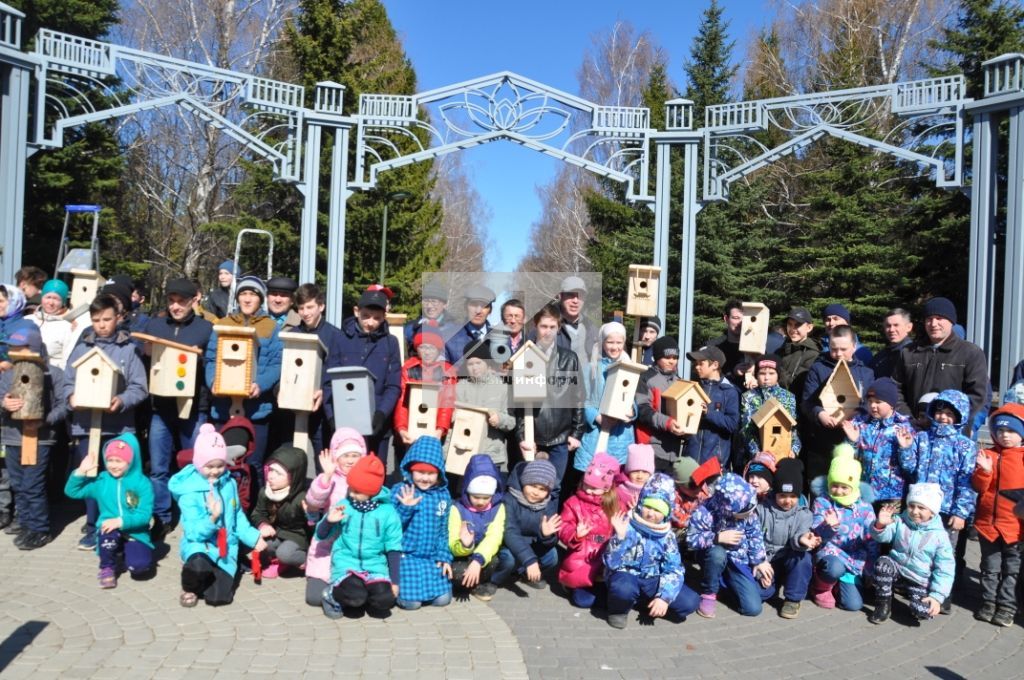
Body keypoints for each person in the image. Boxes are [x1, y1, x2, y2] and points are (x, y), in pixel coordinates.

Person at [60, 294, 149, 550]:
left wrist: (121, 400)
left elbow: (139, 387)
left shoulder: (128, 349)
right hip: (87, 427)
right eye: (97, 320)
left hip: (119, 428)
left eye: (107, 319)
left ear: (118, 318)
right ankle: (93, 527)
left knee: (124, 479)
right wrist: (71, 397)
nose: (102, 325)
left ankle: (128, 526)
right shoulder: (82, 348)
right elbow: (67, 382)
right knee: (92, 478)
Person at [142, 278, 213, 538]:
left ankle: (196, 514)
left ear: (193, 300)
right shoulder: (155, 325)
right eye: (171, 301)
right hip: (161, 408)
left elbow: (213, 361)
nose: (175, 306)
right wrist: (147, 351)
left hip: (194, 407)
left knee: (196, 464)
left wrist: (201, 357)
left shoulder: (206, 329)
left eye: (181, 301)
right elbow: (144, 357)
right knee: (159, 466)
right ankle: (161, 516)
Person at [169, 423, 267, 607]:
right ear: (199, 463)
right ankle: (189, 584)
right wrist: (212, 519)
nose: (215, 471)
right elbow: (193, 532)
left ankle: (211, 575)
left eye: (220, 465)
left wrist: (254, 538)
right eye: (209, 466)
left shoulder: (229, 484)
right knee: (198, 565)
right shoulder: (189, 493)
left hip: (225, 547)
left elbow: (237, 517)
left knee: (219, 599)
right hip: (200, 545)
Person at [898, 388, 977, 611]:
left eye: (950, 414)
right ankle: (917, 588)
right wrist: (905, 449)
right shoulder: (922, 438)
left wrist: (961, 513)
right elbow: (910, 468)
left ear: (959, 417)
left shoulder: (965, 446)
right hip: (921, 508)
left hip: (947, 509)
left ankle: (942, 596)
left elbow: (967, 482)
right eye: (940, 412)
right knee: (920, 549)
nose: (943, 417)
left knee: (945, 554)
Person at [203, 275, 282, 479]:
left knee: (253, 464)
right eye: (243, 294)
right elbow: (211, 358)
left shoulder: (271, 327)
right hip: (223, 409)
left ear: (260, 299)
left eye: (252, 295)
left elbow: (277, 363)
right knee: (221, 462)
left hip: (256, 410)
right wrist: (213, 381)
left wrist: (260, 385)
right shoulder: (223, 325)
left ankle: (251, 510)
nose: (247, 299)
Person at [604, 472, 700, 628]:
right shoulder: (627, 523)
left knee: (691, 602)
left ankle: (648, 604)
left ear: (666, 512)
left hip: (653, 578)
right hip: (627, 575)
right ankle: (618, 610)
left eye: (658, 509)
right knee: (623, 588)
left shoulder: (667, 536)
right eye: (647, 506)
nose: (651, 513)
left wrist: (664, 597)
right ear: (641, 503)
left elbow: (674, 569)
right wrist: (619, 539)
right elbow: (611, 564)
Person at [0, 326, 65, 549]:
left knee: (33, 485)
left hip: (41, 439)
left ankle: (40, 529)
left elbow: (64, 406)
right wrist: (4, 404)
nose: (15, 352)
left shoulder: (53, 374)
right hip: (12, 437)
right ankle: (26, 524)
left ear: (35, 348)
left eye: (21, 348)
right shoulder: (7, 374)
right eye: (12, 348)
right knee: (18, 484)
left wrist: (46, 420)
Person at [317, 454, 402, 619]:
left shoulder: (388, 512)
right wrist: (329, 521)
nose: (351, 494)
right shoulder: (344, 506)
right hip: (347, 565)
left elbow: (394, 548)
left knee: (385, 600)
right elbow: (321, 535)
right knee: (355, 598)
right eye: (350, 488)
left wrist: (395, 582)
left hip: (374, 567)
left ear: (371, 492)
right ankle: (331, 596)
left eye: (357, 491)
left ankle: (364, 595)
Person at [64, 435, 154, 588]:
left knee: (139, 567)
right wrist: (80, 471)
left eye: (119, 461)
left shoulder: (142, 482)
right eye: (109, 460)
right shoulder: (102, 480)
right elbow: (72, 492)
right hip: (109, 528)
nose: (113, 465)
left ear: (130, 462)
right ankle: (107, 567)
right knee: (108, 539)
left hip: (135, 531)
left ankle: (124, 552)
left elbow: (144, 516)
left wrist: (121, 521)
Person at [516, 303, 584, 503]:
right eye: (543, 326)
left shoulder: (569, 359)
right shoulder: (524, 357)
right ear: (535, 326)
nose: (547, 332)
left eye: (552, 327)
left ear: (559, 328)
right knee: (529, 488)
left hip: (560, 438)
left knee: (554, 488)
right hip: (532, 435)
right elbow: (518, 403)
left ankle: (549, 533)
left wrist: (576, 432)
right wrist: (522, 435)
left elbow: (577, 397)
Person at [893, 297, 989, 436]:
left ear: (951, 321)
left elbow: (977, 395)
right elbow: (896, 389)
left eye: (939, 318)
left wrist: (949, 418)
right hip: (914, 431)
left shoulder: (970, 353)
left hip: (953, 435)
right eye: (929, 319)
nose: (933, 324)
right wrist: (908, 418)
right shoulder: (908, 352)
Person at [324, 289, 401, 460]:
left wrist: (382, 413)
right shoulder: (340, 339)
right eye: (366, 315)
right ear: (356, 311)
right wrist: (332, 416)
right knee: (345, 472)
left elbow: (393, 384)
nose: (371, 322)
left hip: (378, 421)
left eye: (377, 318)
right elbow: (329, 381)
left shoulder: (391, 343)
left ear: (384, 316)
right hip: (345, 418)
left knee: (374, 473)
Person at [868, 483, 955, 625]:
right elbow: (883, 537)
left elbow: (945, 569)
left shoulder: (940, 536)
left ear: (932, 511)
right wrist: (880, 525)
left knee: (923, 611)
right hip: (897, 568)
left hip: (918, 578)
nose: (914, 511)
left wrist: (937, 597)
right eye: (911, 506)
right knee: (883, 563)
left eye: (921, 508)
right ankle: (883, 604)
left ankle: (916, 600)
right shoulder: (900, 520)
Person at [970, 404, 1024, 627]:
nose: (1005, 435)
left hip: (1015, 528)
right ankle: (988, 602)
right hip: (987, 525)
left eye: (1011, 431)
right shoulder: (988, 454)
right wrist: (984, 471)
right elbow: (979, 487)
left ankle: (1007, 606)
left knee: (1012, 570)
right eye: (1000, 431)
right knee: (990, 568)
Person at [800, 325, 875, 483]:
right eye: (834, 349)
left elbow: (869, 404)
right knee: (819, 489)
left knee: (846, 487)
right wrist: (820, 414)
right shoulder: (818, 369)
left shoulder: (866, 373)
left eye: (843, 349)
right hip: (821, 442)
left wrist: (854, 413)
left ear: (854, 347)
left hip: (851, 443)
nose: (838, 354)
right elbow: (807, 402)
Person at [687, 473, 768, 618]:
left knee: (754, 607)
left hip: (738, 560)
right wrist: (717, 538)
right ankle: (709, 593)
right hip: (712, 556)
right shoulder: (704, 512)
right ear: (728, 508)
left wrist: (759, 560)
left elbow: (754, 534)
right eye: (743, 512)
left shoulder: (748, 508)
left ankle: (725, 586)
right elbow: (691, 539)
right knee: (717, 553)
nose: (748, 513)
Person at [809, 446, 877, 612]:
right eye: (834, 485)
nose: (838, 491)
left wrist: (870, 568)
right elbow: (816, 534)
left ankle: (839, 584)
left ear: (853, 486)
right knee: (834, 568)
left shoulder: (865, 507)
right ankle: (820, 586)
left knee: (853, 605)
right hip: (831, 554)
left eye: (844, 487)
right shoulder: (822, 502)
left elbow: (871, 540)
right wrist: (828, 526)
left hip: (854, 558)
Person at [303, 428, 366, 607]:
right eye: (346, 455)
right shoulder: (328, 478)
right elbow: (313, 502)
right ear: (336, 457)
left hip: (353, 547)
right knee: (314, 598)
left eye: (355, 455)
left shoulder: (367, 478)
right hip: (327, 545)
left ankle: (342, 592)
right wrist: (327, 476)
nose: (351, 460)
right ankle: (332, 590)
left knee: (359, 596)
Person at [390, 436, 453, 610]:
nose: (425, 478)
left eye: (431, 473)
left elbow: (443, 530)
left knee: (443, 600)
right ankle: (397, 592)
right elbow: (392, 529)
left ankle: (423, 589)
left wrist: (444, 556)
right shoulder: (400, 490)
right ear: (410, 470)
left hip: (431, 558)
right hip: (406, 557)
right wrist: (405, 508)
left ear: (439, 473)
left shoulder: (443, 495)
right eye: (420, 472)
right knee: (412, 604)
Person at [754, 458, 816, 619]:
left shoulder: (804, 514)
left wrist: (802, 539)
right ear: (775, 493)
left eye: (793, 496)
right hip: (768, 560)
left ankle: (793, 599)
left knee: (803, 558)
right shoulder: (762, 510)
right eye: (782, 495)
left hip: (790, 556)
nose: (787, 500)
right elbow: (754, 538)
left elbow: (802, 532)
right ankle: (774, 584)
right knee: (760, 594)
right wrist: (760, 564)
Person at [841, 377, 913, 510]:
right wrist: (853, 441)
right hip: (863, 491)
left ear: (891, 404)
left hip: (891, 496)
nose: (873, 406)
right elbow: (847, 459)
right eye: (870, 401)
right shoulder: (861, 424)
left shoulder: (903, 428)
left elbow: (910, 468)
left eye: (878, 402)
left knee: (887, 529)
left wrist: (905, 449)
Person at [558, 452, 619, 609]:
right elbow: (564, 525)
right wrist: (575, 534)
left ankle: (598, 589)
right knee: (584, 601)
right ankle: (573, 586)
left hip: (604, 560)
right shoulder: (573, 503)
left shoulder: (615, 505)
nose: (589, 491)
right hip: (581, 557)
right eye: (587, 486)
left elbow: (622, 527)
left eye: (595, 488)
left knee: (610, 597)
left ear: (607, 488)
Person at [490, 459, 561, 593]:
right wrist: (529, 560)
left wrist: (547, 536)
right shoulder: (509, 499)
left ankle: (524, 574)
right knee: (509, 559)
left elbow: (551, 539)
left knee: (552, 556)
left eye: (542, 489)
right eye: (532, 486)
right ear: (524, 482)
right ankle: (492, 580)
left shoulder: (548, 504)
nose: (536, 492)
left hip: (531, 546)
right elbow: (510, 532)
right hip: (508, 544)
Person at [576, 322, 637, 473]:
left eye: (619, 342)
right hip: (596, 434)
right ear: (602, 342)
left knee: (616, 484)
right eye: (610, 342)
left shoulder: (630, 367)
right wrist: (596, 417)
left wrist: (632, 411)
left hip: (620, 436)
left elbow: (632, 400)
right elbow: (583, 400)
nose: (615, 347)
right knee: (593, 480)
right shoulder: (590, 369)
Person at [290, 283, 341, 457]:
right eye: (301, 308)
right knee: (294, 458)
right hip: (294, 408)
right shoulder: (293, 334)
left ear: (321, 306)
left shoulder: (335, 336)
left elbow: (336, 372)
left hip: (322, 410)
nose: (305, 312)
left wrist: (324, 391)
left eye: (310, 307)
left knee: (323, 459)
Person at [448, 454, 506, 602]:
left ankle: (479, 583)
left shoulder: (498, 508)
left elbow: (494, 537)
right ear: (467, 491)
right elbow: (451, 541)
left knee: (497, 561)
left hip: (483, 555)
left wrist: (478, 559)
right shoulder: (457, 508)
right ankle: (464, 585)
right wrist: (465, 545)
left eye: (486, 498)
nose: (480, 502)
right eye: (476, 497)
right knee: (459, 572)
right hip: (461, 555)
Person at [453, 339, 515, 470]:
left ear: (487, 363)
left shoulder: (502, 388)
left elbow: (511, 421)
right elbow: (450, 416)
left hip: (491, 453)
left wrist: (499, 419)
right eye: (470, 364)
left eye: (478, 363)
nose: (475, 368)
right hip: (464, 451)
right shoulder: (459, 388)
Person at [251, 445, 311, 578]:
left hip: (298, 536)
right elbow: (257, 513)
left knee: (285, 554)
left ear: (293, 477)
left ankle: (309, 561)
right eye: (270, 470)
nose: (271, 476)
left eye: (278, 473)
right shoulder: (265, 492)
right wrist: (263, 524)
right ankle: (282, 563)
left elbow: (313, 525)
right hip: (279, 531)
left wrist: (311, 514)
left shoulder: (302, 497)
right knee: (265, 545)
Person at [393, 329, 456, 453]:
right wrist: (401, 428)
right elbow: (402, 401)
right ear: (417, 348)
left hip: (436, 431)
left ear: (438, 349)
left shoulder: (447, 370)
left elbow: (447, 403)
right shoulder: (408, 368)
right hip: (410, 428)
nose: (427, 352)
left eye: (432, 348)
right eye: (423, 347)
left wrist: (440, 429)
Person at [683, 346, 740, 467]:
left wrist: (708, 413)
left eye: (701, 364)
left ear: (714, 365)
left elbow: (732, 424)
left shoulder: (729, 391)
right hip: (690, 459)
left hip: (715, 462)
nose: (696, 367)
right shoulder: (694, 388)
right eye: (695, 364)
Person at [635, 336, 685, 471]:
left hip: (674, 451)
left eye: (675, 358)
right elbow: (643, 410)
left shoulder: (680, 382)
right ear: (657, 357)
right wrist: (667, 422)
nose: (672, 361)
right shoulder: (646, 378)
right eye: (667, 357)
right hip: (652, 448)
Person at [740, 353, 801, 459]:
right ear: (756, 375)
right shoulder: (748, 397)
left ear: (778, 375)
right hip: (757, 453)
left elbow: (792, 428)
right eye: (762, 373)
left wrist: (794, 449)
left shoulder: (788, 397)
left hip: (784, 452)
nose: (766, 377)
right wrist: (755, 452)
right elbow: (746, 429)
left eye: (771, 373)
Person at [555, 275, 598, 373]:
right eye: (570, 295)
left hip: (584, 385)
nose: (575, 300)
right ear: (560, 296)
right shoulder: (545, 326)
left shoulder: (592, 328)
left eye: (580, 295)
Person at [29, 279, 73, 370]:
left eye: (56, 299)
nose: (51, 302)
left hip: (51, 374)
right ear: (42, 298)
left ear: (63, 302)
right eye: (48, 297)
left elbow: (67, 360)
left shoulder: (68, 326)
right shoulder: (28, 320)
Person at [445, 285, 495, 364]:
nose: (478, 311)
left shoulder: (500, 339)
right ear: (465, 307)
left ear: (490, 310)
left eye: (484, 306)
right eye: (474, 304)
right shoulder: (449, 338)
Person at [777, 306, 818, 395]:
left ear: (809, 327)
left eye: (797, 325)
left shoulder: (813, 355)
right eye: (790, 324)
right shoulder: (780, 350)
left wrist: (777, 369)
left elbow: (797, 385)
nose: (792, 329)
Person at [706, 300, 746, 388]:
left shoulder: (755, 348)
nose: (740, 323)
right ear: (726, 319)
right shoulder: (713, 347)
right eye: (736, 318)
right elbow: (705, 375)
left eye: (744, 318)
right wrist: (733, 372)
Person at [869, 308, 915, 379]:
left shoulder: (915, 355)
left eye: (896, 325)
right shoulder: (880, 357)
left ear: (909, 327)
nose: (891, 330)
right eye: (888, 325)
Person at [615, 443, 655, 511]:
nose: (640, 476)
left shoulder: (655, 493)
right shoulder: (617, 490)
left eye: (645, 472)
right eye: (635, 471)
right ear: (628, 472)